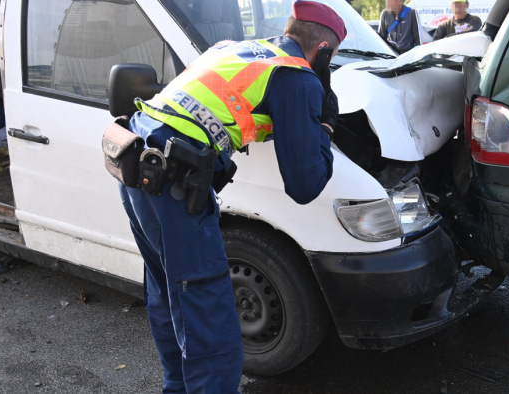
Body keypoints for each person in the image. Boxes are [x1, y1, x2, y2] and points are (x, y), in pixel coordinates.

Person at [117, 1, 345, 392]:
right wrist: (322, 125)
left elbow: (229, 108)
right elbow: (305, 184)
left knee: (170, 296)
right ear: (323, 52)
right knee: (209, 314)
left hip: (136, 166)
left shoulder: (234, 50)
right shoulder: (297, 77)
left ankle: (177, 387)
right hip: (174, 183)